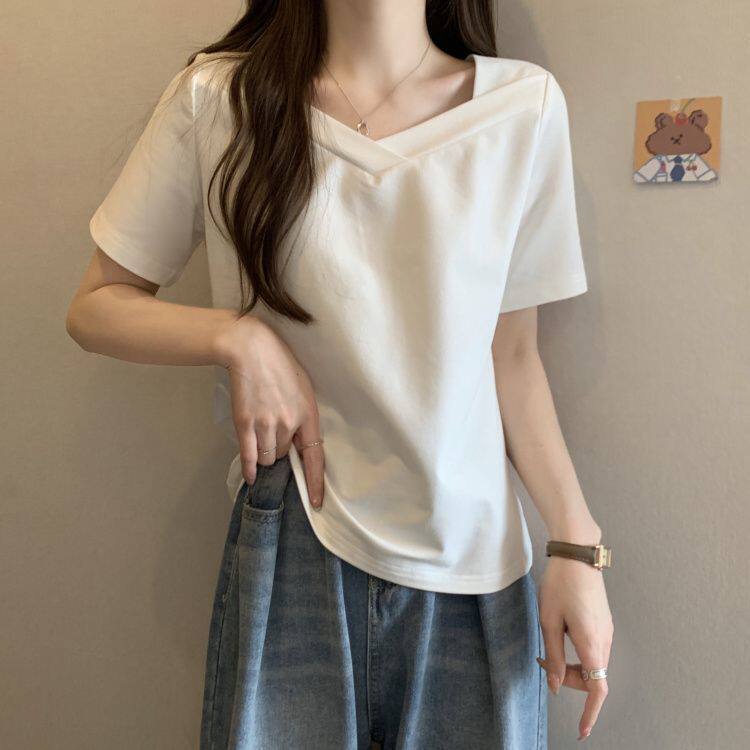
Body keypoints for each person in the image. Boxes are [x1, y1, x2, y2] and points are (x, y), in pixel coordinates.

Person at [67, 1, 614, 747]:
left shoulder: (522, 107)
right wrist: (239, 339)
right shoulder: (219, 99)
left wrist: (577, 548)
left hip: (473, 557)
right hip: (293, 541)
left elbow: (513, 358)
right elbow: (97, 305)